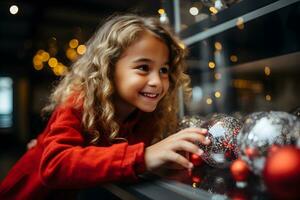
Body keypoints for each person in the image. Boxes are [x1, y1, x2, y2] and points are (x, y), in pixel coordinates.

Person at [0, 14, 210, 199]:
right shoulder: (78, 102)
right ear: (108, 69)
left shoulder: (144, 116)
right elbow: (55, 165)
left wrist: (161, 163)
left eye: (164, 70)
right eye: (143, 67)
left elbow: (114, 166)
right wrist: (144, 157)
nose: (157, 81)